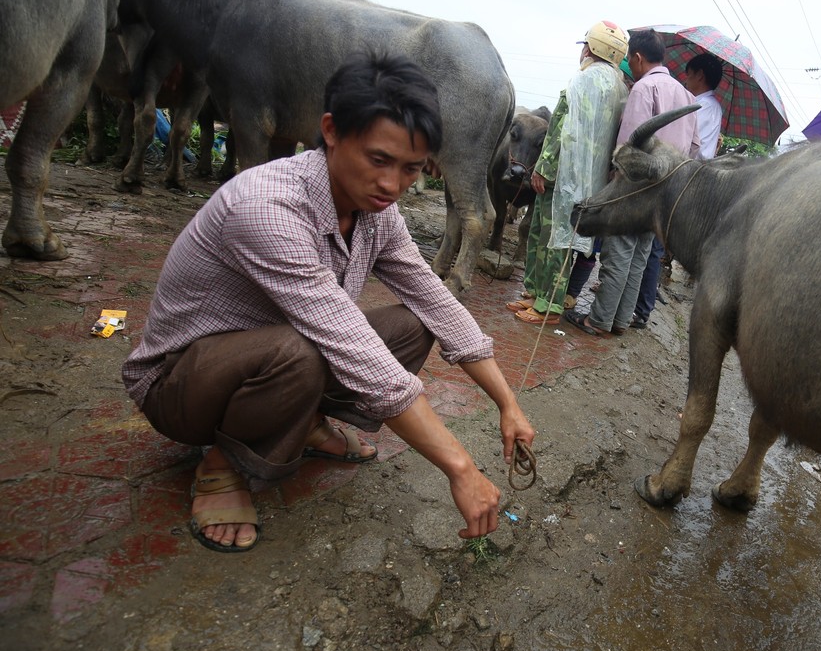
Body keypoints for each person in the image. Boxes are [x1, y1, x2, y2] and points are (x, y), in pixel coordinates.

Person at [122, 52, 535, 553]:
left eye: (410, 169)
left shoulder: (376, 211)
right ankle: (223, 467)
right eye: (378, 160)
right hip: (182, 384)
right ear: (332, 131)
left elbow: (438, 303)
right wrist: (461, 468)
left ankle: (302, 422)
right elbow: (347, 339)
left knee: (416, 321)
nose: (392, 184)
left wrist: (507, 404)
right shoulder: (268, 207)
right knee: (304, 349)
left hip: (276, 354)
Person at [565, 30, 698, 338]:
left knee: (618, 253)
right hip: (668, 190)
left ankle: (598, 320)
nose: (628, 64)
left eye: (628, 59)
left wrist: (615, 180)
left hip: (636, 186)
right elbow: (695, 145)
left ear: (638, 58)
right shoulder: (686, 95)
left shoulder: (644, 88)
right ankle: (621, 320)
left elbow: (627, 146)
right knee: (639, 257)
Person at [508, 21, 629, 326]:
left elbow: (565, 129)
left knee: (553, 240)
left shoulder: (584, 80)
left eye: (585, 45)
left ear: (591, 48)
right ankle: (535, 293)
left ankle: (548, 305)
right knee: (545, 234)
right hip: (587, 179)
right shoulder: (618, 86)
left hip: (562, 176)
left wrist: (545, 168)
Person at [628, 51, 726, 329]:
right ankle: (641, 304)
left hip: (680, 176)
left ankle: (641, 307)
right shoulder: (713, 106)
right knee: (654, 245)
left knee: (650, 245)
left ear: (700, 76)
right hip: (692, 176)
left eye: (689, 73)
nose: (685, 78)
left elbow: (685, 143)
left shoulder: (698, 105)